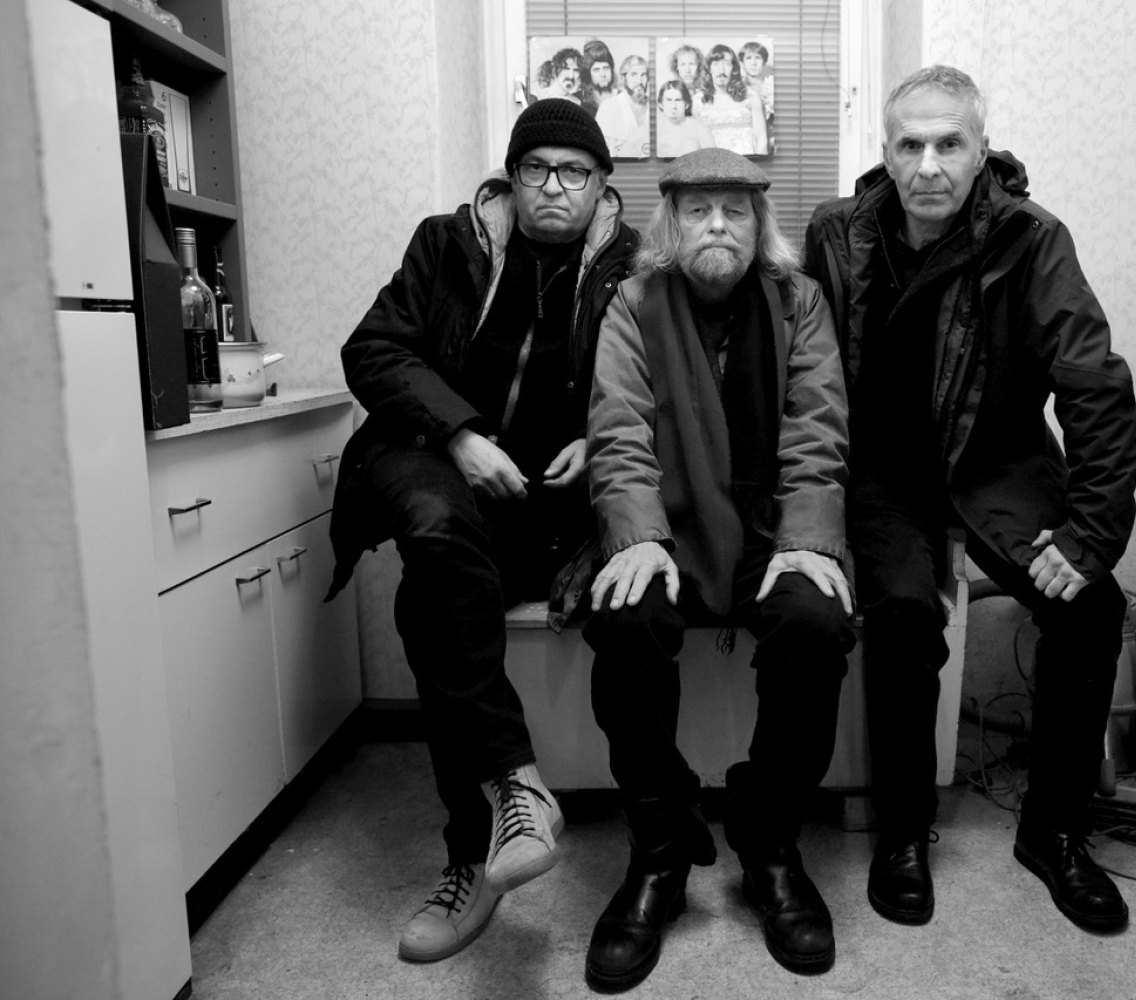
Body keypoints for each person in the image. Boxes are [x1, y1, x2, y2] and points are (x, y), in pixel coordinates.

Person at [804, 65, 1136, 932]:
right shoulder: (836, 234)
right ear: (886, 152)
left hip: (998, 458)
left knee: (1091, 607)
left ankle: (1055, 830)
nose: (929, 165)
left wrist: (1091, 530)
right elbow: (804, 370)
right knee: (903, 611)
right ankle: (901, 832)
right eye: (910, 145)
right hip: (884, 468)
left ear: (981, 150)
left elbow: (1094, 384)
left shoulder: (1033, 238)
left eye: (949, 144)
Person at [325, 100, 639, 962]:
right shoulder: (447, 244)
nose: (553, 187)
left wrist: (600, 437)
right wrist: (460, 435)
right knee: (434, 527)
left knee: (429, 603)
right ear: (510, 177)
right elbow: (374, 350)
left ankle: (478, 846)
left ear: (602, 186)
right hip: (431, 457)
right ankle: (510, 794)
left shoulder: (630, 267)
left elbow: (651, 380)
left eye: (574, 172)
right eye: (535, 168)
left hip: (547, 501)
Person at [581, 147, 854, 991]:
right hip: (672, 528)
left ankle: (769, 843)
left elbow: (817, 426)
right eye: (699, 211)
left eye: (735, 211)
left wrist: (808, 538)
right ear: (671, 223)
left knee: (816, 621)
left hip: (774, 530)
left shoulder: (799, 300)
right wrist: (638, 537)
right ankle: (660, 850)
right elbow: (618, 429)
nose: (717, 227)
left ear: (758, 223)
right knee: (623, 618)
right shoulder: (634, 302)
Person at [694, 44, 767, 156]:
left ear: (734, 69)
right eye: (716, 64)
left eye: (727, 64)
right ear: (709, 68)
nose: (722, 70)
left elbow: (761, 138)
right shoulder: (698, 101)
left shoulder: (751, 97)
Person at [595, 54, 650, 159]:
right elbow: (600, 151)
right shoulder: (608, 107)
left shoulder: (656, 107)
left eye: (643, 75)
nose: (639, 81)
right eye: (633, 74)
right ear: (624, 78)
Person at [654, 80, 715, 158]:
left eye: (678, 100)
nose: (673, 106)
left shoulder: (700, 128)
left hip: (692, 165)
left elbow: (713, 159)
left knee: (689, 143)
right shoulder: (653, 130)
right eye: (669, 100)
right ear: (660, 104)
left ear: (687, 104)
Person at [579, 39, 616, 117]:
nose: (603, 74)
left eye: (606, 68)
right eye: (596, 70)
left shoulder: (622, 97)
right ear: (588, 74)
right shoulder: (582, 102)